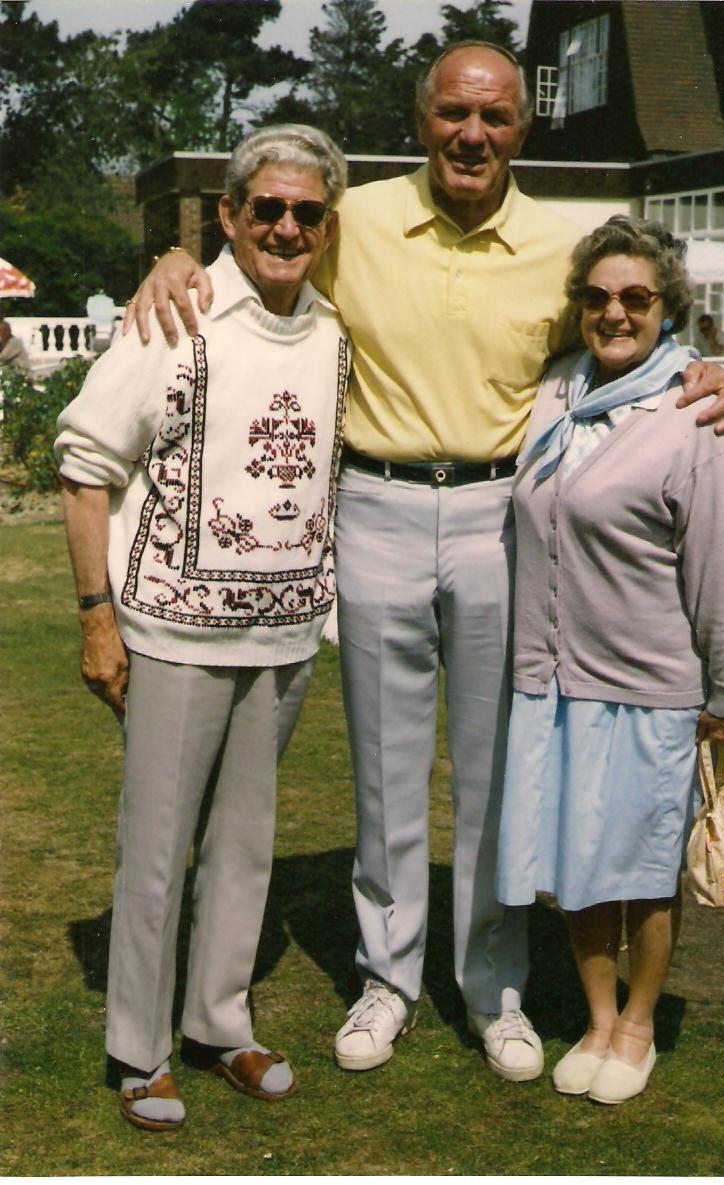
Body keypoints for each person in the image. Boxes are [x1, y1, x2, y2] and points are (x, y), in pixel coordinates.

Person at [124, 42, 724, 1085]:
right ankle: (388, 978)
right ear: (421, 121)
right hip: (377, 505)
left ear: (521, 130)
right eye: (455, 113)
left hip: (506, 514)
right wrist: (174, 262)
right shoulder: (350, 220)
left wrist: (707, 363)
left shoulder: (561, 239)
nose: (473, 135)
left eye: (496, 118)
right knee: (385, 766)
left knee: (498, 768)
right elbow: (252, 259)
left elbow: (632, 324)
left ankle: (494, 983)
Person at [54, 124, 349, 1131]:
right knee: (157, 847)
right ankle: (140, 1049)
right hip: (173, 636)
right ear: (227, 215)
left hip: (284, 640)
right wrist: (98, 618)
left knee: (246, 849)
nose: (284, 225)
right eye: (264, 206)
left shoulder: (330, 333)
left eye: (305, 211)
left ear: (326, 225)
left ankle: (220, 1024)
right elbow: (86, 463)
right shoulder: (172, 316)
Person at [497, 215, 724, 1105]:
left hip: (650, 684)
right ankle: (596, 1018)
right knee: (574, 864)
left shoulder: (690, 407)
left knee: (642, 868)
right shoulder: (555, 392)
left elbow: (713, 564)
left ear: (664, 308)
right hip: (555, 679)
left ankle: (637, 1022)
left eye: (635, 298)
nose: (614, 313)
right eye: (598, 297)